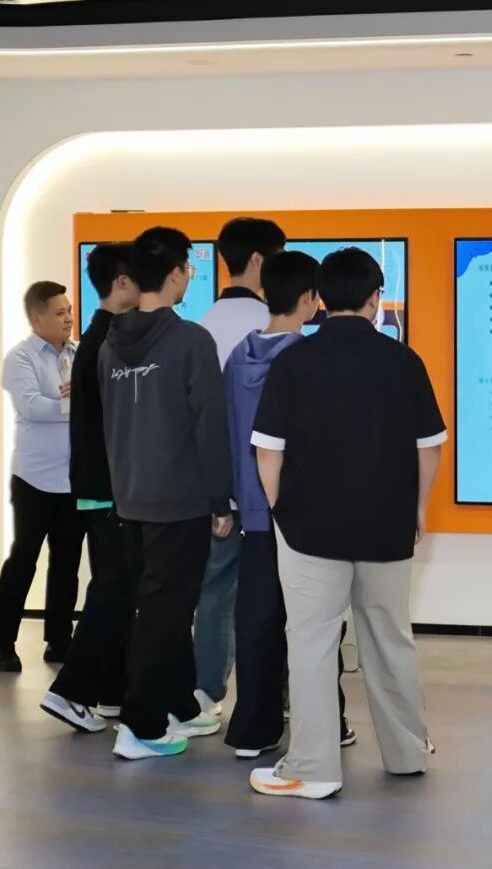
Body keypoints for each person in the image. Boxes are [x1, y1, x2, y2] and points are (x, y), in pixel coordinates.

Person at [248, 247, 446, 801]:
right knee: (391, 639)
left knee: (311, 642)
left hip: (309, 529)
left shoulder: (293, 363)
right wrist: (418, 508)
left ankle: (314, 768)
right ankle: (407, 753)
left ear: (320, 300)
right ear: (375, 298)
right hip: (387, 527)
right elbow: (429, 447)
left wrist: (281, 509)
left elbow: (267, 450)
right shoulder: (403, 361)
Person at [99, 227, 234, 759]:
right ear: (177, 272)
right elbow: (209, 426)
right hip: (179, 500)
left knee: (163, 608)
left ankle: (179, 703)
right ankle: (141, 726)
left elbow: (109, 425)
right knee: (166, 614)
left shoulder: (110, 343)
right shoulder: (190, 341)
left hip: (131, 496)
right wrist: (220, 500)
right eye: (189, 269)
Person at [222, 251, 355, 758]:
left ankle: (251, 731)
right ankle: (328, 722)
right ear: (310, 299)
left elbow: (227, 433)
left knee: (256, 619)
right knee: (316, 622)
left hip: (252, 511)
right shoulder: (308, 359)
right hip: (305, 512)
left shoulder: (238, 356)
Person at [40, 245, 140, 732]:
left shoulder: (100, 337)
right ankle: (69, 691)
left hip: (101, 483)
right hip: (109, 485)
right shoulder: (107, 341)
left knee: (116, 587)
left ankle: (112, 692)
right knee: (114, 590)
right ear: (121, 282)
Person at [194, 217, 287, 716]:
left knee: (214, 590)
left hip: (215, 490)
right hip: (268, 491)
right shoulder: (272, 326)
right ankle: (282, 697)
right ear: (257, 260)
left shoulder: (202, 325)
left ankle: (206, 692)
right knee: (278, 595)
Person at [0, 282, 85, 672]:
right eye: (60, 312)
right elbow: (32, 407)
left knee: (67, 563)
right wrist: (74, 402)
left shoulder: (80, 354)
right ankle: (4, 642)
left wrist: (72, 399)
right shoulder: (21, 357)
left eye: (69, 310)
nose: (68, 318)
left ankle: (59, 640)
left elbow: (89, 404)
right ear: (36, 318)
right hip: (34, 478)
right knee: (24, 560)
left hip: (74, 478)